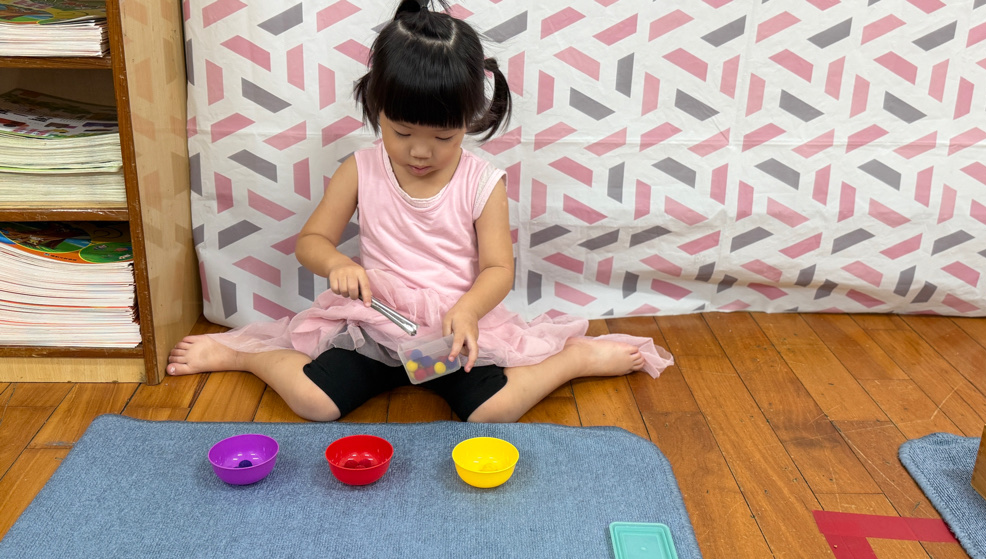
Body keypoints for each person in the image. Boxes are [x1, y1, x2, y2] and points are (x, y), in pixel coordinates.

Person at [167, 0, 672, 423]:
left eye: (443, 137)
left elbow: (498, 268)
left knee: (491, 412)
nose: (421, 152)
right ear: (376, 108)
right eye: (402, 132)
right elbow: (311, 242)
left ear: (470, 120)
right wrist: (336, 263)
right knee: (315, 403)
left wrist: (468, 310)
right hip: (373, 329)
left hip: (451, 337)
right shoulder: (361, 169)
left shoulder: (481, 182)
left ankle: (572, 359)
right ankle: (242, 355)